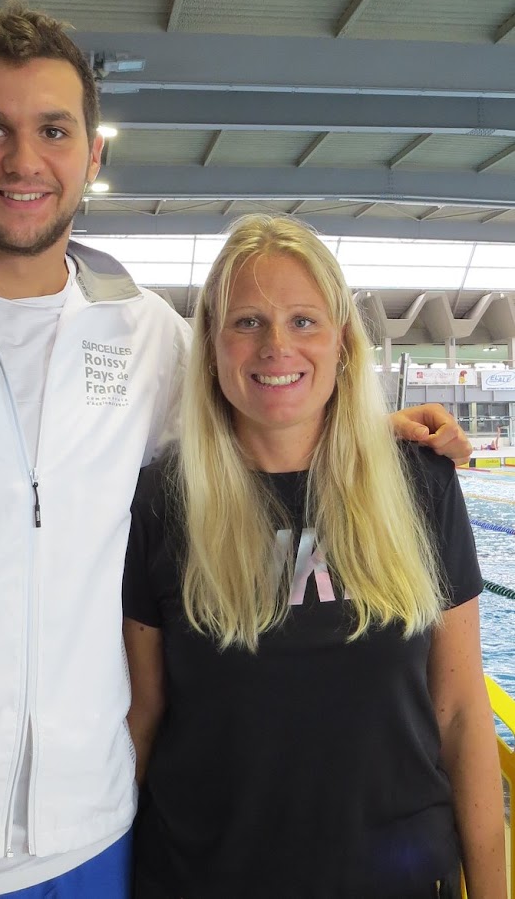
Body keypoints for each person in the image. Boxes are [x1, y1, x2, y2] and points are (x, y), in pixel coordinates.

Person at [0, 4, 470, 899]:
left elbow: (264, 407)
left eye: (53, 130)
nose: (24, 161)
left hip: (87, 844)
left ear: (91, 156)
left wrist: (379, 432)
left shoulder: (144, 336)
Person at [123, 215, 505, 899]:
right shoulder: (162, 502)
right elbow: (143, 717)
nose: (275, 346)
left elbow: (459, 710)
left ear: (343, 344)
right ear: (211, 348)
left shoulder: (418, 482)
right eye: (246, 322)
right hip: (204, 879)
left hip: (402, 879)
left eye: (303, 321)